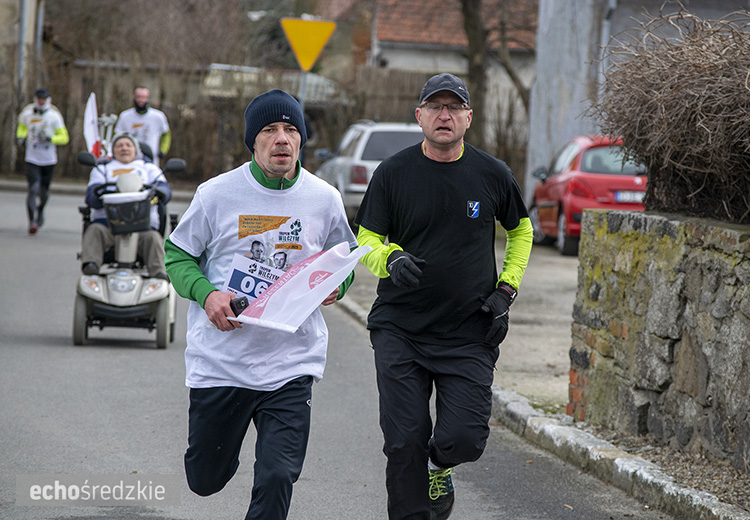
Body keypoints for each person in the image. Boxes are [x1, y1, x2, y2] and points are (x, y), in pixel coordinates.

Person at [163, 88, 357, 520]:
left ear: (302, 139)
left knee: (275, 477)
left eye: (290, 129)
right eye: (269, 130)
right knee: (205, 479)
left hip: (291, 363)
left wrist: (336, 287)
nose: (281, 139)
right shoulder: (217, 194)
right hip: (222, 363)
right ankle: (220, 454)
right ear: (253, 141)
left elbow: (345, 259)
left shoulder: (323, 198)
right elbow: (176, 255)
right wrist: (207, 294)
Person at [354, 73, 534, 520]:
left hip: (469, 330)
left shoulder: (492, 174)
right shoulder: (393, 173)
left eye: (454, 107)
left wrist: (507, 288)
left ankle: (439, 466)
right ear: (419, 116)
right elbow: (366, 239)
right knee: (404, 440)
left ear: (469, 118)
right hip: (401, 329)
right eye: (435, 106)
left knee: (465, 438)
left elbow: (522, 231)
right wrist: (390, 258)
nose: (444, 115)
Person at [80, 133, 171, 280]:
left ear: (136, 150)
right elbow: (91, 197)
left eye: (128, 145)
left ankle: (158, 274)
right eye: (119, 145)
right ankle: (91, 267)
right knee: (94, 230)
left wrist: (159, 193)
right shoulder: (103, 169)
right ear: (113, 150)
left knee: (153, 238)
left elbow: (165, 190)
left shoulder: (148, 168)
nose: (124, 149)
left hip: (141, 226)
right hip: (109, 226)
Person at [16, 87, 70, 235]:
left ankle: (40, 210)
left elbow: (64, 137)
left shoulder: (54, 116)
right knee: (33, 189)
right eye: (39, 99)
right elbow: (22, 128)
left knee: (44, 192)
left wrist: (51, 138)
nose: (41, 102)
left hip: (48, 159)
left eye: (44, 99)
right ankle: (32, 221)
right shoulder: (27, 114)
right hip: (32, 158)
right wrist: (21, 137)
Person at [114, 87, 171, 166]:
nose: (141, 100)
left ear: (148, 98)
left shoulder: (158, 116)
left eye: (144, 97)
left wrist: (163, 150)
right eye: (138, 97)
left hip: (151, 161)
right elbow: (117, 136)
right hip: (129, 162)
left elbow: (166, 135)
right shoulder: (125, 116)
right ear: (134, 98)